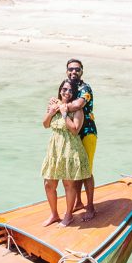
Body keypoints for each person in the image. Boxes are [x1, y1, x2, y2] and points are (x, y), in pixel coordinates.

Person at [41, 79, 92, 226]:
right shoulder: (54, 105)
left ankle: (68, 215)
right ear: (60, 90)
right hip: (55, 150)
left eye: (70, 90)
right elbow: (45, 124)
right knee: (48, 184)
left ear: (74, 93)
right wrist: (51, 113)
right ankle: (54, 214)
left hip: (70, 148)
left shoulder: (77, 110)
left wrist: (64, 114)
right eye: (64, 89)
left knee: (68, 184)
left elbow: (75, 130)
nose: (67, 92)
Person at [53, 59, 97, 221]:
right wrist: (58, 104)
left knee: (86, 171)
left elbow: (77, 105)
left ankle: (90, 206)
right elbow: (62, 99)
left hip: (87, 132)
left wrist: (58, 106)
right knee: (76, 170)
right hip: (74, 133)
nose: (73, 72)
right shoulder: (69, 86)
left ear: (82, 72)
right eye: (70, 69)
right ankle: (78, 202)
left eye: (77, 69)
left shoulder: (85, 88)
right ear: (66, 71)